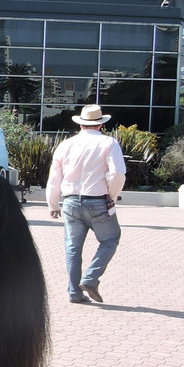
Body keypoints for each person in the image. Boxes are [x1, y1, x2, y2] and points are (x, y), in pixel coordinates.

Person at [46, 104, 127, 304]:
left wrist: (53, 204)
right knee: (110, 239)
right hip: (98, 200)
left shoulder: (66, 144)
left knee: (73, 247)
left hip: (71, 201)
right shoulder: (109, 143)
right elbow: (117, 173)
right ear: (100, 125)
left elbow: (54, 177)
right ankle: (91, 278)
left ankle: (74, 292)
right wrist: (112, 196)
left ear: (80, 124)